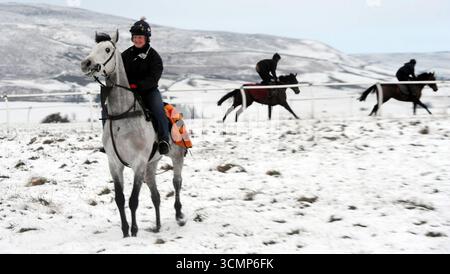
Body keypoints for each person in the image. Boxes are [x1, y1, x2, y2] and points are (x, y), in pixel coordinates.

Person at [122, 17, 170, 155]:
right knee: (109, 109)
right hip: (128, 92)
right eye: (135, 37)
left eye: (140, 37)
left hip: (149, 91)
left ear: (147, 38)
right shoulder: (125, 55)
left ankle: (163, 140)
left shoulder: (154, 57)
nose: (137, 40)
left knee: (158, 110)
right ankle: (110, 143)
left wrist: (137, 85)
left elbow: (154, 78)